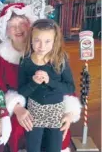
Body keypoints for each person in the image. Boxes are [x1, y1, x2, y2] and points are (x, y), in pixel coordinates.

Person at [0, 3, 82, 152]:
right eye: (12, 26)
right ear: (6, 30)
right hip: (20, 110)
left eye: (22, 24)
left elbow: (67, 87)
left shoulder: (54, 56)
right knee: (19, 132)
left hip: (51, 105)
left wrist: (69, 112)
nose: (18, 29)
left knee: (57, 135)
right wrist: (16, 107)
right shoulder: (2, 56)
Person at [18, 18, 76, 152]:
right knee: (33, 148)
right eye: (37, 40)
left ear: (55, 41)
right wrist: (34, 83)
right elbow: (21, 91)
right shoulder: (25, 61)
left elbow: (70, 87)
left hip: (56, 113)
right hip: (34, 113)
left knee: (54, 148)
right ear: (31, 40)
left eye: (47, 41)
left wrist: (50, 81)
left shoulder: (60, 60)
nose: (42, 46)